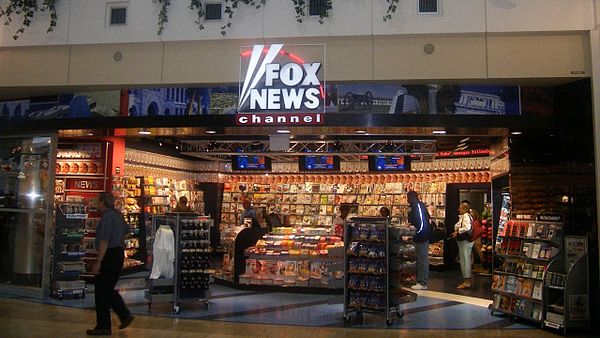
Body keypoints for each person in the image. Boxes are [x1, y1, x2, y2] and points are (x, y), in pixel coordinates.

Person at [88, 192, 133, 336]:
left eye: (97, 201)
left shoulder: (107, 216)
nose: (96, 203)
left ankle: (104, 325)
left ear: (102, 202)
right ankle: (124, 315)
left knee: (101, 290)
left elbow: (104, 240)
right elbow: (127, 232)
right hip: (118, 253)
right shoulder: (118, 214)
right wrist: (118, 240)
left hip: (109, 255)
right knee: (107, 288)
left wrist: (99, 262)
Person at [408, 191, 431, 290]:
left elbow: (422, 223)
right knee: (419, 259)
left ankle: (422, 282)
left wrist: (417, 231)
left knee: (422, 259)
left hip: (422, 236)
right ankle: (419, 280)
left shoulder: (417, 206)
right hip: (420, 236)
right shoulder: (416, 206)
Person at [452, 202, 474, 289]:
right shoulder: (466, 216)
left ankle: (467, 281)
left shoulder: (466, 217)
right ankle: (466, 280)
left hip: (465, 241)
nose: (458, 209)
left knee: (465, 260)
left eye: (460, 208)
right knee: (465, 259)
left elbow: (467, 228)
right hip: (465, 241)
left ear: (464, 209)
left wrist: (458, 231)